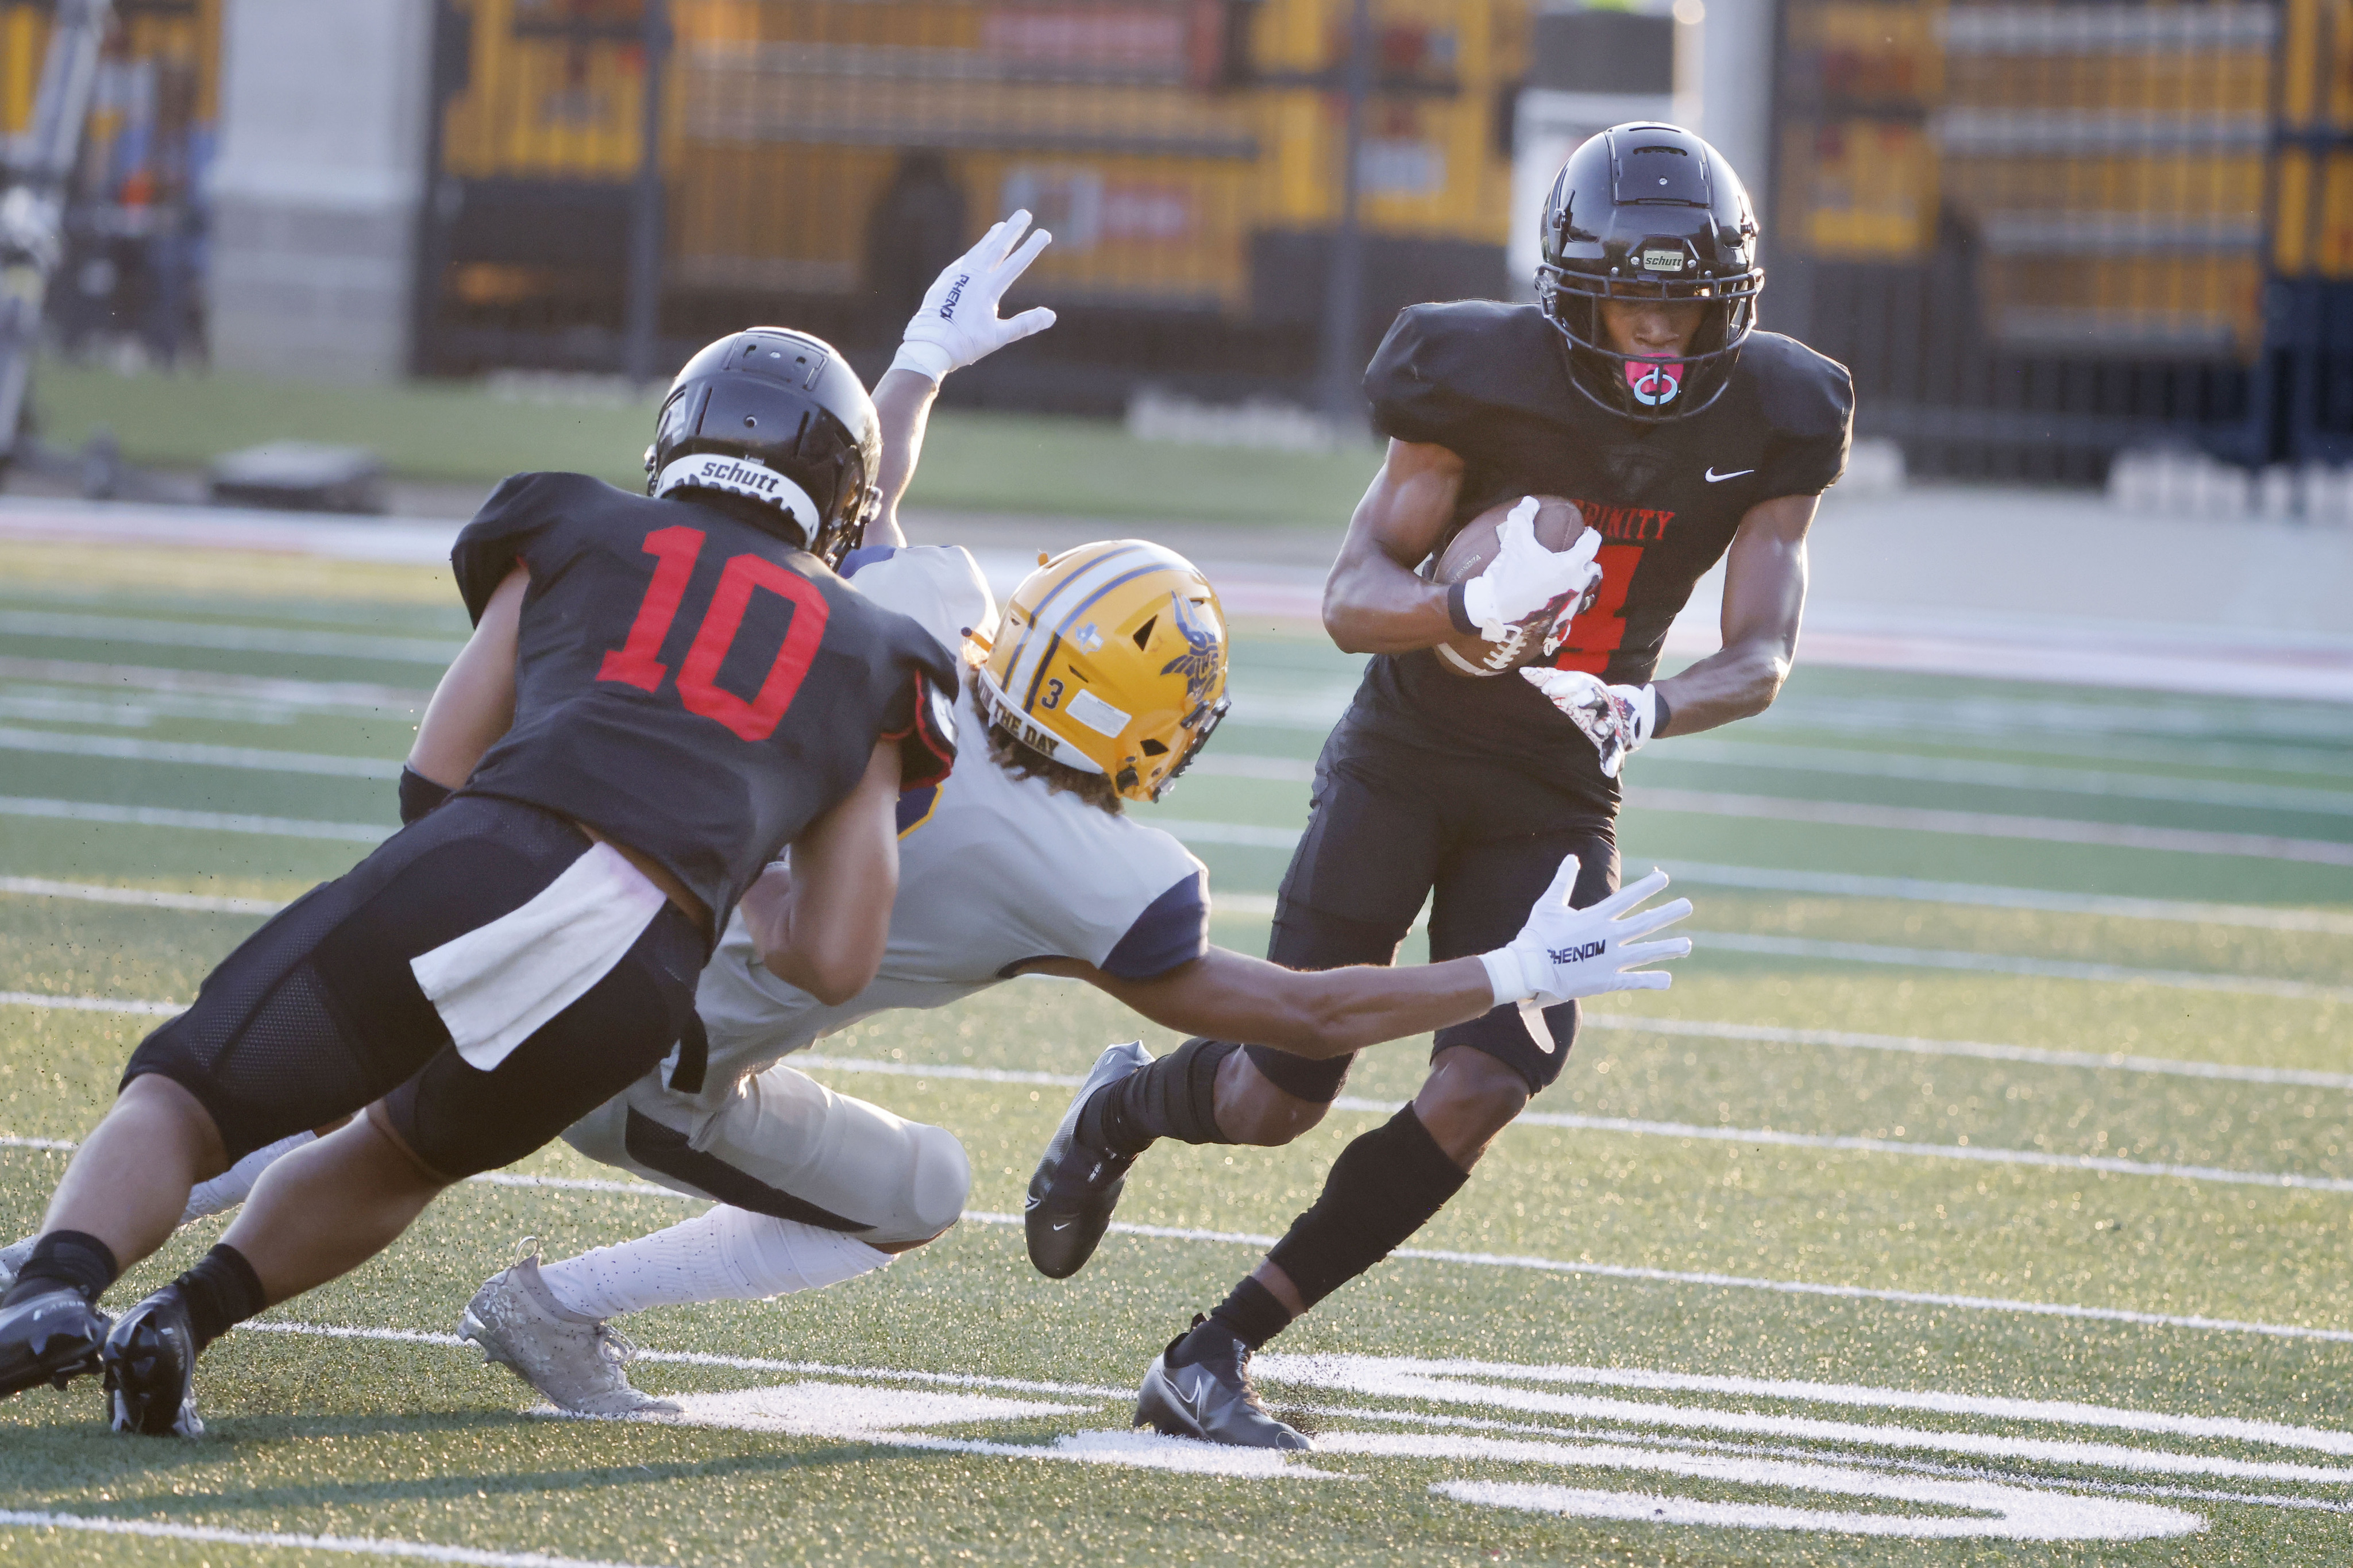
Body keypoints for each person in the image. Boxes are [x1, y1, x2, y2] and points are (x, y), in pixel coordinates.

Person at [0, 217, 1696, 1430]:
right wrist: (1493, 969)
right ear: (1157, 733)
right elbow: (1290, 1008)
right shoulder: (1070, 836)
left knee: (272, 1065)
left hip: (527, 885)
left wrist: (913, 366)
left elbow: (831, 518)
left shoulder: (911, 611)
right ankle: (339, 1311)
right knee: (488, 1137)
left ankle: (76, 1264)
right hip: (641, 1017)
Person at [1020, 122, 1855, 1449]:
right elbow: (1353, 600)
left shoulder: (1782, 410)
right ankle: (1122, 1104)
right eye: (1628, 300)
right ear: (1571, 293)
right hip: (1406, 751)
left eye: (1681, 304)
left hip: (1563, 780)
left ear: (1728, 303)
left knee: (1482, 1088)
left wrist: (1643, 705)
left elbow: (1758, 657)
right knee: (1277, 1095)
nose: (1652, 333)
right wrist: (1462, 603)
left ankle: (1215, 1349)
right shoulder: (1474, 375)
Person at [0, 321, 965, 1438]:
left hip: (494, 855)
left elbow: (437, 767)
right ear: (842, 495)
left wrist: (450, 913)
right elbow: (832, 956)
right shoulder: (880, 657)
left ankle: (47, 1293)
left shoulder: (578, 523)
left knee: (188, 1089)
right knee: (402, 1153)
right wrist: (715, 863)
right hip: (645, 973)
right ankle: (179, 1324)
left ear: (678, 438)